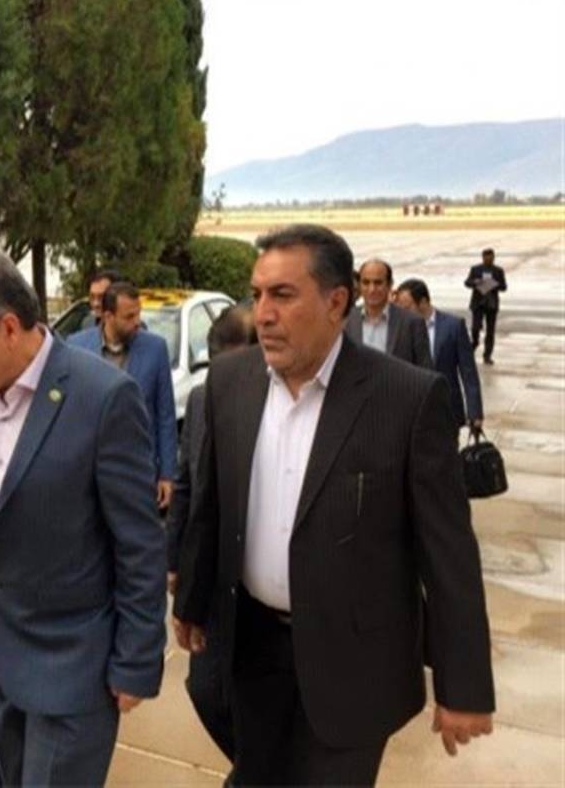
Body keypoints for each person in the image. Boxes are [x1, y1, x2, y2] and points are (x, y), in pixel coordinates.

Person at [174, 224, 495, 785]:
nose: (263, 314)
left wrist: (463, 685)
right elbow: (212, 504)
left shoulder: (407, 399)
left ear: (336, 302)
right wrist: (194, 599)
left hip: (355, 664)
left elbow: (448, 555)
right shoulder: (229, 382)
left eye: (283, 295)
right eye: (257, 295)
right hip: (253, 650)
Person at [0, 244, 166, 786]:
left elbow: (140, 543)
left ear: (8, 328)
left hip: (73, 670)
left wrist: (136, 660)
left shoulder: (104, 398)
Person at [165, 304, 256, 764]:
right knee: (205, 689)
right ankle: (253, 768)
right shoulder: (202, 400)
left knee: (257, 694)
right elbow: (186, 484)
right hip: (213, 572)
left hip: (264, 581)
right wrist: (175, 562)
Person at [67, 282, 177, 508]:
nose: (137, 322)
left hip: (139, 473)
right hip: (89, 475)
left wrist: (167, 474)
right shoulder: (76, 347)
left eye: (138, 314)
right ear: (108, 316)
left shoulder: (156, 348)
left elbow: (165, 415)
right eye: (129, 317)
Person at [395, 278, 483, 431]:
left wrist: (475, 412)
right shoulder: (400, 328)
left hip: (447, 410)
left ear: (423, 302)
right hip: (411, 412)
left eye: (407, 307)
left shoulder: (454, 326)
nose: (403, 313)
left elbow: (468, 372)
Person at [345, 258, 432, 368]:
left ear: (390, 284)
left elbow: (425, 369)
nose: (372, 289)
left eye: (378, 283)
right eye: (366, 283)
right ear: (359, 285)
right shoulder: (346, 320)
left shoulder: (412, 323)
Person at [464, 247, 507, 365]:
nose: (489, 260)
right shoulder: (476, 269)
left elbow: (504, 287)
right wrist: (476, 282)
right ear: (483, 258)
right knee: (475, 328)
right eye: (487, 258)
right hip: (478, 303)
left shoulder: (498, 271)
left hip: (491, 304)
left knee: (490, 331)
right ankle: (474, 343)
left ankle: (487, 355)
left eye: (491, 258)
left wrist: (494, 284)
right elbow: (467, 282)